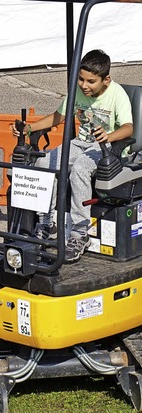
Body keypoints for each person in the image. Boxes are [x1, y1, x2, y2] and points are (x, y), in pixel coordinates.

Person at [12, 49, 133, 263]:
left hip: (108, 148)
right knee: (44, 162)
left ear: (106, 80)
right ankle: (47, 223)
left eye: (90, 81)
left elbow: (128, 128)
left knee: (80, 169)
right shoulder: (77, 92)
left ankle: (80, 232)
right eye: (80, 79)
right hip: (81, 143)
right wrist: (29, 129)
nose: (84, 85)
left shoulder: (117, 94)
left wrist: (108, 136)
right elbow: (58, 117)